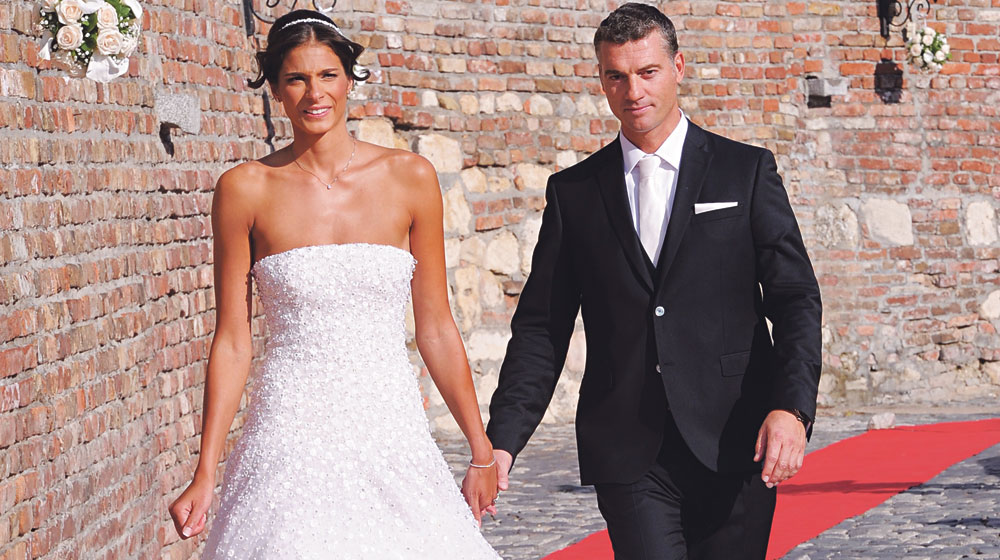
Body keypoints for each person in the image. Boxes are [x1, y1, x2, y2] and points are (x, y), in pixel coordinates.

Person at [486, 3, 823, 558]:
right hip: (628, 449)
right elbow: (542, 327)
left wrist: (792, 409)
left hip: (737, 436)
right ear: (602, 80)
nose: (633, 91)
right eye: (616, 76)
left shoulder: (745, 170)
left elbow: (795, 300)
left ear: (678, 67)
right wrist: (502, 440)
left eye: (647, 72)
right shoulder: (574, 193)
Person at [167, 10, 500, 558]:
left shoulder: (410, 178)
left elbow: (437, 327)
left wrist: (480, 449)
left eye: (327, 75)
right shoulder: (244, 189)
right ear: (276, 89)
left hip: (390, 426)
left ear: (349, 79)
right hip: (288, 431)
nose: (314, 93)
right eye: (296, 79)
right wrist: (205, 472)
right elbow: (232, 341)